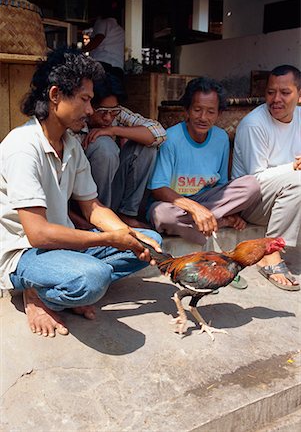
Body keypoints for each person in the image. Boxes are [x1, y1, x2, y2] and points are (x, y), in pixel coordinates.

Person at [0, 48, 162, 338]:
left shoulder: (71, 145)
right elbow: (37, 234)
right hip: (25, 253)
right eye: (85, 99)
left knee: (149, 242)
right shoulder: (22, 147)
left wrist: (126, 234)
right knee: (94, 277)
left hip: (62, 245)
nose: (90, 110)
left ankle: (62, 286)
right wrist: (107, 239)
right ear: (55, 96)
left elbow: (93, 207)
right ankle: (36, 293)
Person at [147, 76, 261, 246]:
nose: (203, 117)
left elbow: (221, 185)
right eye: (197, 109)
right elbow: (158, 189)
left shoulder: (221, 138)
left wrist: (205, 208)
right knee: (161, 214)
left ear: (219, 114)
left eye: (210, 111)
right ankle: (218, 222)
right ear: (186, 110)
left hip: (207, 201)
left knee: (252, 185)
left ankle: (202, 223)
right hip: (175, 204)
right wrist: (195, 209)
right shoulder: (170, 138)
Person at [232, 64, 301, 291]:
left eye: (285, 92)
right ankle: (270, 254)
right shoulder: (255, 124)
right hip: (252, 203)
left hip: (286, 196)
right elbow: (255, 180)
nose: (276, 99)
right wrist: (292, 167)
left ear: (299, 96)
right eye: (271, 92)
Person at [71, 74, 166, 229]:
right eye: (101, 111)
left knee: (146, 145)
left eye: (113, 111)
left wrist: (114, 130)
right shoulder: (76, 122)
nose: (108, 117)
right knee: (103, 146)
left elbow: (158, 133)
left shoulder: (115, 115)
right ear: (89, 106)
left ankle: (126, 214)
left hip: (113, 195)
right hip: (85, 203)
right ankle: (98, 220)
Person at [83, 13, 125, 83]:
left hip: (103, 65)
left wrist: (81, 50)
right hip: (118, 68)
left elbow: (99, 38)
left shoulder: (102, 22)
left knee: (100, 92)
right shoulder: (120, 30)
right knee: (114, 92)